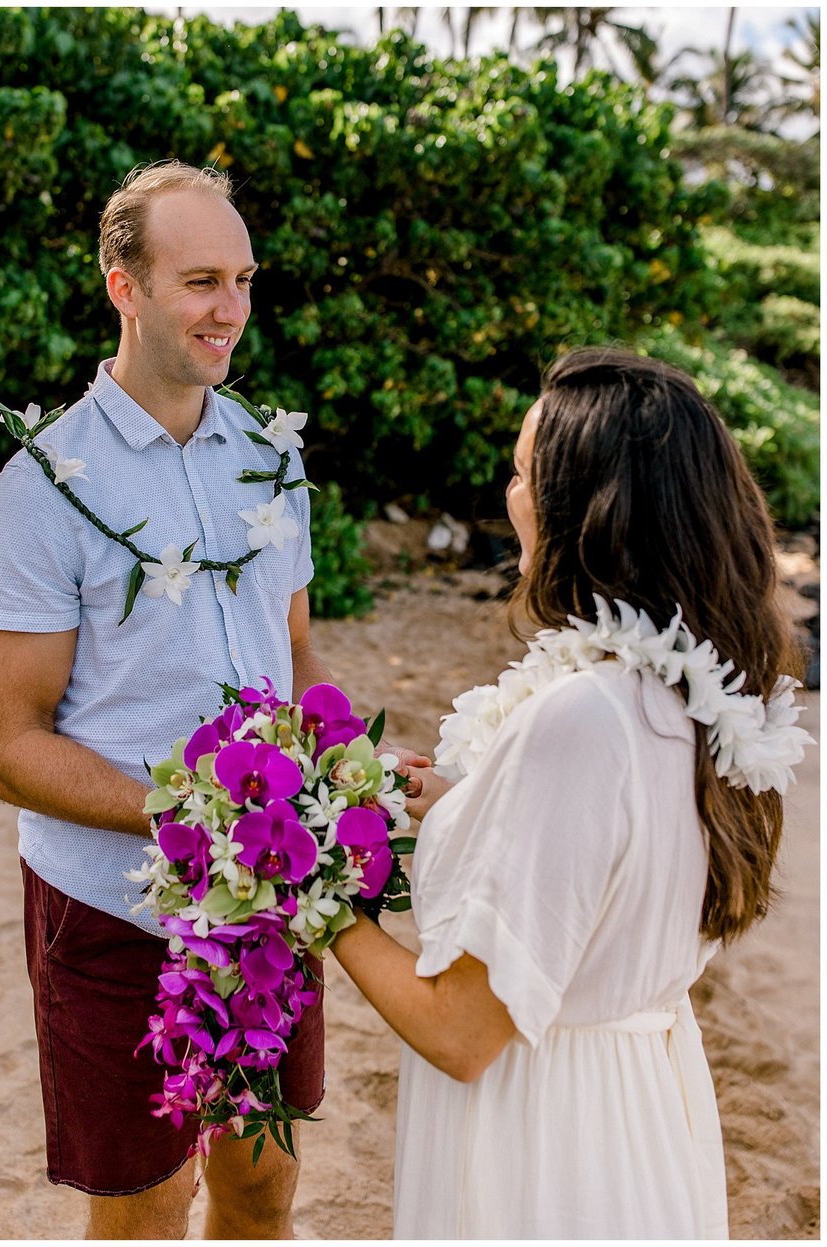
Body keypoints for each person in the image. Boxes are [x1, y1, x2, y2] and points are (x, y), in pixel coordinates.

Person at [0, 160, 426, 1240]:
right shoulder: (44, 489)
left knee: (262, 1182)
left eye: (245, 280)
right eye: (202, 281)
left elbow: (297, 648)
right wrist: (186, 816)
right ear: (123, 286)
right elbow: (4, 745)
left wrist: (337, 766)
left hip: (269, 897)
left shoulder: (271, 460)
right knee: (146, 1201)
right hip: (113, 903)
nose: (232, 310)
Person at [330, 347, 811, 1239]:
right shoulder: (691, 696)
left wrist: (316, 902)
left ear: (584, 511)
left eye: (522, 473)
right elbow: (609, 858)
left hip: (543, 1146)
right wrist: (466, 796)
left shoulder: (582, 721)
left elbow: (461, 1033)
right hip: (641, 1120)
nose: (509, 494)